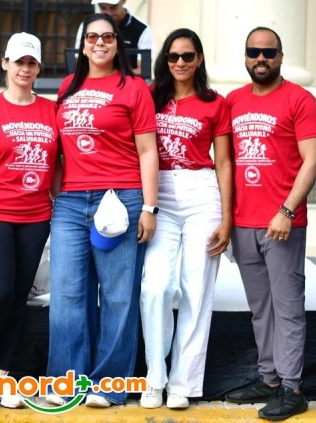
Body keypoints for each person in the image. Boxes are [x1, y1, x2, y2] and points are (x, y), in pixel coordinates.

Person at [47, 13, 158, 409]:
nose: (99, 43)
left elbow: (148, 150)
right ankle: (66, 382)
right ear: (83, 45)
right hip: (71, 202)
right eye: (92, 37)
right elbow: (58, 149)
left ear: (117, 43)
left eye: (107, 37)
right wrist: (55, 193)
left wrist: (149, 206)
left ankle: (108, 385)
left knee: (117, 296)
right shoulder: (67, 86)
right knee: (66, 294)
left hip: (120, 199)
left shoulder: (134, 88)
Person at [224, 26, 316, 421]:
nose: (261, 58)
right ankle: (268, 379)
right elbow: (224, 161)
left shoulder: (300, 100)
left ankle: (292, 388)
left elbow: (312, 161)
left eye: (268, 52)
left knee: (288, 308)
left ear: (280, 56)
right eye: (254, 52)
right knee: (260, 309)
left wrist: (287, 210)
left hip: (282, 222)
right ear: (246, 57)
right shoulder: (233, 101)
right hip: (243, 223)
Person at [0, 33, 60, 410]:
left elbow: (59, 165)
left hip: (36, 216)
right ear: (5, 63)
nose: (25, 68)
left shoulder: (51, 110)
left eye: (31, 62)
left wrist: (58, 204)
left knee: (19, 298)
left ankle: (3, 377)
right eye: (19, 61)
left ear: (39, 68)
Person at [139, 28, 232, 410]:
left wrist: (227, 218)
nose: (180, 62)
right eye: (174, 56)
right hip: (158, 191)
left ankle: (182, 383)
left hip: (201, 193)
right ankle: (154, 377)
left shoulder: (215, 102)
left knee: (196, 288)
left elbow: (223, 162)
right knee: (156, 286)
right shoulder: (150, 97)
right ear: (165, 60)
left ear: (199, 59)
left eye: (188, 56)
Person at [74, 0, 153, 51]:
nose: (108, 12)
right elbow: (77, 57)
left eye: (113, 7)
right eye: (102, 7)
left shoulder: (141, 29)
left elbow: (144, 61)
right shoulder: (86, 27)